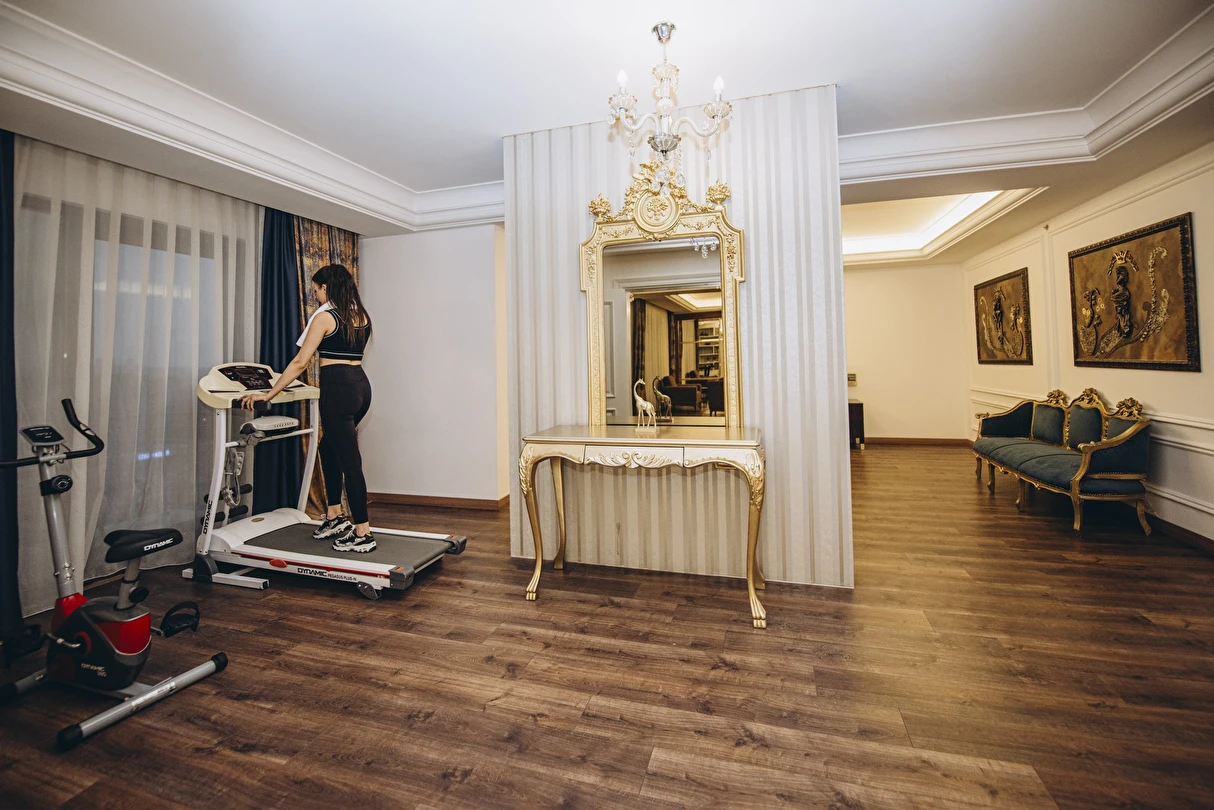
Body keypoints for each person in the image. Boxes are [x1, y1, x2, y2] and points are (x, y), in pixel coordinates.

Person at [239, 264, 375, 552]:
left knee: (350, 462)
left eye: (316, 290)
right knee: (328, 448)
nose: (315, 296)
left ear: (326, 287)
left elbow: (301, 362)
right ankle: (334, 515)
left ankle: (363, 532)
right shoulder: (361, 315)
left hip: (338, 390)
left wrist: (269, 393)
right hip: (361, 387)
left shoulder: (326, 317)